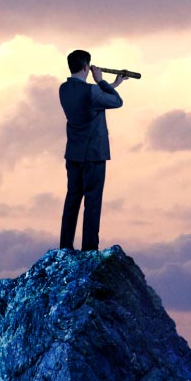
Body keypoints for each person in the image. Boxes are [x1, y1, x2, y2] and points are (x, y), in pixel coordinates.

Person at [58, 49, 128, 251]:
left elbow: (94, 98)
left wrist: (113, 84)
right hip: (94, 154)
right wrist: (102, 82)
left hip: (74, 153)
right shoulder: (93, 91)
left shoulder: (64, 89)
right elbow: (116, 102)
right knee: (92, 202)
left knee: (72, 200)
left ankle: (65, 247)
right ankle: (89, 249)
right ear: (87, 67)